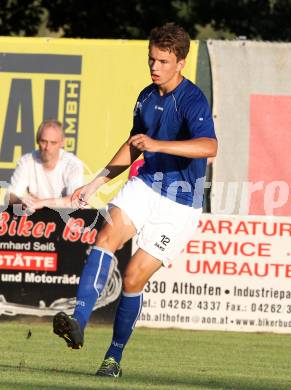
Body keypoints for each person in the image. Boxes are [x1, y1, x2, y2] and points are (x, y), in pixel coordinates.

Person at [53, 23, 217, 377]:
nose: (155, 67)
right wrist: (97, 182)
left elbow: (209, 147)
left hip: (179, 203)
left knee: (132, 278)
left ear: (181, 63)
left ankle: (113, 358)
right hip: (144, 185)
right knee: (106, 238)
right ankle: (79, 320)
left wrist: (158, 146)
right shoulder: (146, 95)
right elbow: (133, 144)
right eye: (151, 59)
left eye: (162, 61)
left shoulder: (193, 100)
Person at [8, 119, 84, 211]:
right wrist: (21, 201)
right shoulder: (26, 161)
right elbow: (11, 196)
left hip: (68, 219)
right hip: (38, 219)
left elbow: (75, 200)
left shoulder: (72, 164)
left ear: (62, 143)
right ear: (37, 141)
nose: (47, 147)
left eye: (53, 143)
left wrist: (42, 203)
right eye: (44, 141)